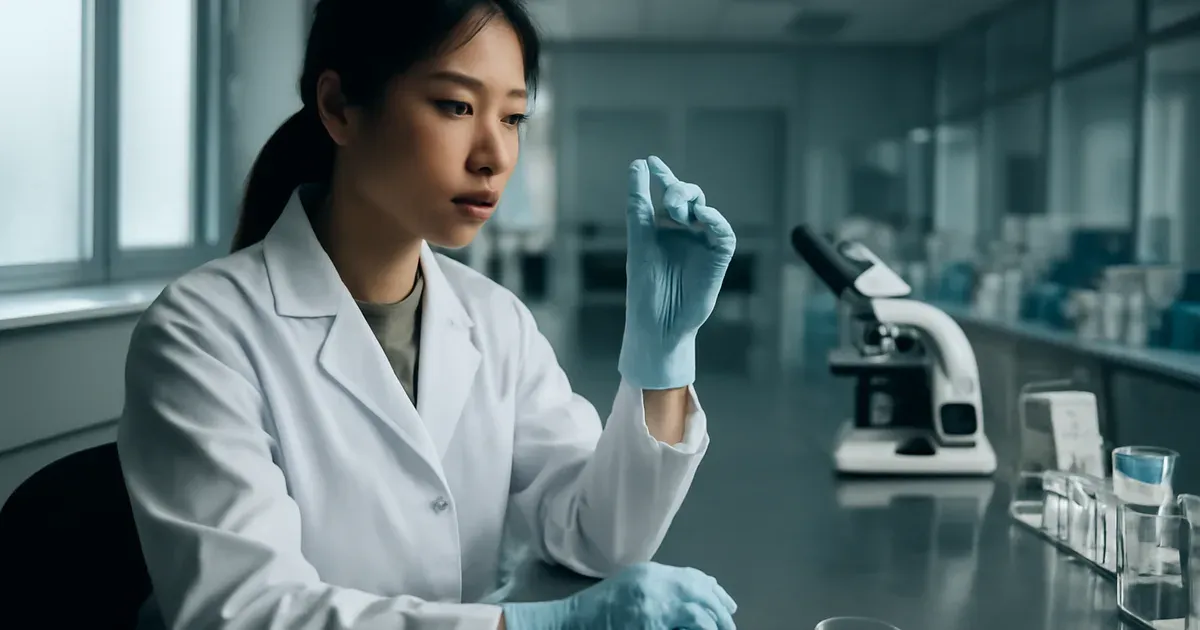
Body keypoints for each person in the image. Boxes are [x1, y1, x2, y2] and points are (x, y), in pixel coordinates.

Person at [117, 1, 738, 628]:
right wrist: (534, 625)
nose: (494, 155)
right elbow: (245, 611)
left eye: (514, 116)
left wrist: (664, 359)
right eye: (456, 106)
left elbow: (599, 535)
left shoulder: (496, 322)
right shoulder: (202, 333)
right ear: (338, 108)